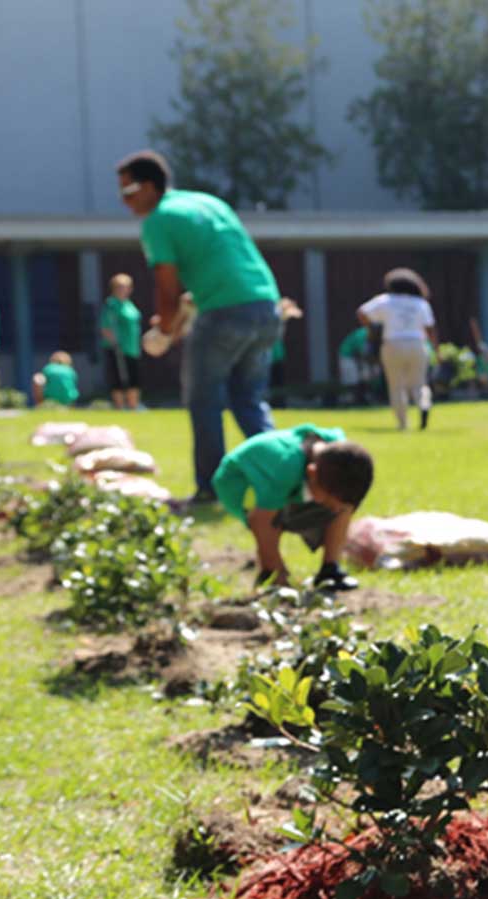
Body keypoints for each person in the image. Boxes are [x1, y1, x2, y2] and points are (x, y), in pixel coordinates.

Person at [116, 149, 282, 506]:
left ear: (149, 186)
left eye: (129, 193)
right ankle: (286, 475)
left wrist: (162, 331)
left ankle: (211, 491)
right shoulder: (206, 203)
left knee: (203, 401)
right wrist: (176, 322)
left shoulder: (158, 220)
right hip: (266, 307)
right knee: (249, 401)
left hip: (224, 314)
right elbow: (218, 266)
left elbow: (167, 285)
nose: (125, 203)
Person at [212, 423, 372, 591]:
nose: (331, 510)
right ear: (312, 473)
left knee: (342, 507)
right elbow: (260, 521)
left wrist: (336, 505)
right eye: (327, 502)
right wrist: (279, 571)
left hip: (286, 480)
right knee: (270, 517)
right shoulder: (284, 467)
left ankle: (330, 569)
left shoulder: (340, 453)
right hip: (239, 483)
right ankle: (270, 573)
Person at [358, 268, 438, 431]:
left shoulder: (385, 300)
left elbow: (362, 312)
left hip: (393, 343)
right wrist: (436, 349)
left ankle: (403, 424)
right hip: (417, 343)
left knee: (396, 385)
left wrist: (372, 327)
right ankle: (423, 405)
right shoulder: (421, 303)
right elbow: (430, 328)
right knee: (420, 382)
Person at [99, 273, 143, 411]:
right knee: (119, 379)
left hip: (133, 348)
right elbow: (106, 327)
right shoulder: (111, 305)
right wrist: (114, 343)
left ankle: (134, 406)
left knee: (134, 378)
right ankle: (120, 407)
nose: (123, 290)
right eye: (120, 287)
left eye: (126, 287)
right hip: (118, 348)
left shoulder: (129, 304)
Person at [338, 324, 376, 406]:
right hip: (347, 356)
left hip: (354, 358)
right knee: (353, 381)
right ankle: (352, 401)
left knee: (362, 378)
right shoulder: (363, 335)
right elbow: (359, 353)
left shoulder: (366, 333)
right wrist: (369, 365)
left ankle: (360, 399)